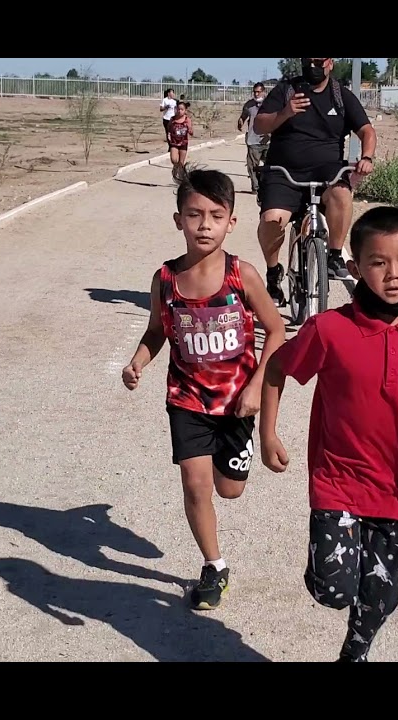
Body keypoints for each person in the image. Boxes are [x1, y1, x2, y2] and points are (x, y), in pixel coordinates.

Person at [257, 205, 398, 661]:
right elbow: (277, 367)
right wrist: (268, 432)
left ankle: (353, 655)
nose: (392, 275)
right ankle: (326, 570)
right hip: (339, 478)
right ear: (355, 268)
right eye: (378, 263)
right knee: (333, 589)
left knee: (382, 598)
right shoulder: (329, 329)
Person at [121, 168, 287, 611]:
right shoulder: (165, 279)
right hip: (187, 400)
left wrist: (255, 388)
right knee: (196, 487)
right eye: (194, 214)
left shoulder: (243, 275)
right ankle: (214, 566)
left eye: (216, 215)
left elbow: (276, 331)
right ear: (179, 220)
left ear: (231, 222)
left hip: (237, 404)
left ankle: (231, 463)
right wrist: (139, 361)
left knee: (229, 490)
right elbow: (157, 330)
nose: (205, 224)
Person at [252, 58, 378, 304]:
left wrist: (366, 157)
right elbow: (259, 125)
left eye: (318, 61)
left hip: (326, 172)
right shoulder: (287, 90)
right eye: (307, 60)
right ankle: (272, 272)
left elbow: (367, 131)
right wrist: (285, 112)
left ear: (330, 63)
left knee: (342, 194)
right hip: (283, 172)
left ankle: (333, 257)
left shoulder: (340, 96)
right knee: (271, 220)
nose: (312, 65)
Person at [237, 82, 270, 198]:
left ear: (264, 92)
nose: (256, 94)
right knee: (252, 166)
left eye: (258, 92)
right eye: (255, 92)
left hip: (269, 141)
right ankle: (255, 187)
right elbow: (243, 116)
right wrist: (240, 121)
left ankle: (269, 186)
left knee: (271, 165)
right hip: (253, 140)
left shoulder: (271, 104)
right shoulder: (249, 105)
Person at [166, 101, 193, 183]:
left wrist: (190, 129)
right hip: (174, 143)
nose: (179, 111)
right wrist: (168, 135)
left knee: (181, 163)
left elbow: (191, 132)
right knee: (174, 159)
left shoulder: (187, 120)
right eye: (178, 109)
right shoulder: (173, 119)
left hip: (183, 143)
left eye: (182, 109)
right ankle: (175, 167)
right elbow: (169, 129)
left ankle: (181, 179)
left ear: (185, 111)